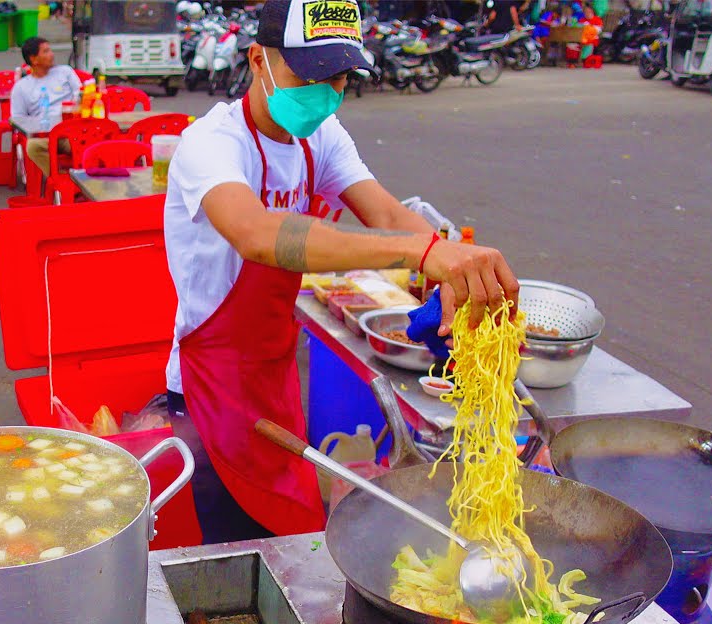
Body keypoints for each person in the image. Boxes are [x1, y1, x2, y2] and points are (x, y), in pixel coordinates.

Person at [163, 0, 519, 544]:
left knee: (298, 539)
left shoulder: (321, 138)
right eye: (308, 73)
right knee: (236, 554)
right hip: (209, 389)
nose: (325, 92)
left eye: (340, 78)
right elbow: (258, 236)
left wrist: (451, 260)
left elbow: (389, 215)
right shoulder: (211, 144)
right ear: (259, 60)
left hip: (275, 376)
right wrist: (420, 254)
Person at [10, 36, 81, 178]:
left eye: (50, 50)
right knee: (33, 147)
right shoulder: (21, 87)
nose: (52, 54)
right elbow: (17, 119)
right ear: (34, 59)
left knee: (99, 142)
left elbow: (80, 95)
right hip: (47, 136)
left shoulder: (65, 72)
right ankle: (62, 179)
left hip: (73, 132)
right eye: (46, 51)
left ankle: (91, 180)